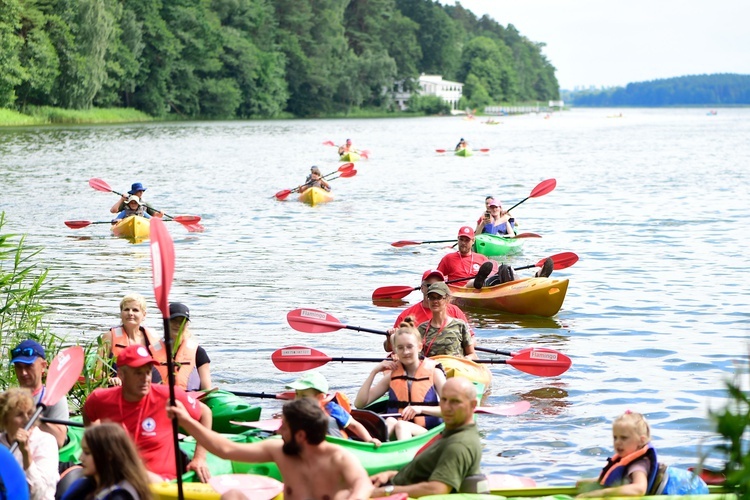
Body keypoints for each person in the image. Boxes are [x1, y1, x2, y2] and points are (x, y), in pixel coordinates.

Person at [168, 397, 374, 500]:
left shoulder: (338, 458)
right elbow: (225, 449)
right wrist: (186, 421)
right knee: (232, 496)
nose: (278, 430)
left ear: (301, 435)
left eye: (283, 426)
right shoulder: (279, 451)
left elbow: (363, 484)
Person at [82, 345, 212, 482]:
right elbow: (88, 413)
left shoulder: (170, 396)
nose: (145, 379)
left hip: (163, 484)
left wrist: (199, 458)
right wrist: (96, 443)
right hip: (117, 478)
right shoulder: (100, 399)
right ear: (121, 374)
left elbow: (205, 413)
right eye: (138, 373)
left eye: (148, 372)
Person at [369, 377, 482, 498]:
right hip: (394, 483)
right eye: (443, 400)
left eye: (455, 401)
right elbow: (424, 474)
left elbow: (437, 489)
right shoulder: (452, 433)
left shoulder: (459, 444)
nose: (447, 407)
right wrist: (391, 475)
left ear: (472, 404)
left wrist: (384, 492)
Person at [576, 411, 708, 498]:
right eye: (615, 437)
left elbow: (639, 489)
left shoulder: (638, 465)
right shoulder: (627, 460)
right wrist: (591, 483)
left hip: (685, 490)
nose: (618, 442)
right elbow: (618, 480)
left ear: (642, 440)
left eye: (624, 438)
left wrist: (601, 494)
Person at [355, 320, 446, 440]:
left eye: (409, 346)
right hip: (398, 429)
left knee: (402, 425)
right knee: (391, 421)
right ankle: (377, 447)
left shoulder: (435, 372)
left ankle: (402, 454)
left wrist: (420, 409)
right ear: (395, 351)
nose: (405, 352)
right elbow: (360, 404)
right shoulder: (393, 375)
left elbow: (452, 408)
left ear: (419, 347)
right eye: (400, 348)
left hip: (428, 433)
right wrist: (374, 372)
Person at [384, 270, 474, 352]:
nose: (435, 288)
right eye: (430, 285)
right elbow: (391, 348)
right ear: (422, 288)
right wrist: (390, 338)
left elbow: (472, 340)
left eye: (439, 285)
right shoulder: (408, 316)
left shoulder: (455, 312)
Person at [287, 372, 381, 446]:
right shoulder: (296, 412)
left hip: (344, 448)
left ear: (320, 397)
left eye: (303, 396)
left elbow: (354, 426)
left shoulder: (332, 409)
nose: (298, 399)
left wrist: (369, 439)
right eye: (296, 394)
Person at [61, 423, 153, 500]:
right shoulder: (84, 486)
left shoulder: (121, 495)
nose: (81, 458)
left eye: (87, 452)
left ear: (109, 455)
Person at [0, 388, 59, 500]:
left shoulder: (46, 441)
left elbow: (38, 494)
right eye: (19, 415)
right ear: (5, 418)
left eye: (30, 413)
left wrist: (26, 453)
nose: (27, 419)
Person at [98, 293, 165, 387]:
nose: (130, 313)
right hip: (119, 389)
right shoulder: (109, 337)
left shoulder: (153, 338)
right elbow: (97, 370)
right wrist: (110, 379)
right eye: (126, 309)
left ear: (144, 315)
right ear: (121, 314)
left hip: (146, 388)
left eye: (135, 310)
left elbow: (163, 368)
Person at [10, 340, 68, 448]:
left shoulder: (56, 398)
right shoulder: (9, 399)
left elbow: (59, 441)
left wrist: (30, 417)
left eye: (28, 366)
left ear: (43, 366)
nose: (23, 373)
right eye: (18, 366)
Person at [417, 283, 476, 360]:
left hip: (455, 368)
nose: (435, 301)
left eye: (439, 297)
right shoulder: (421, 329)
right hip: (432, 369)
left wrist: (466, 359)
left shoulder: (460, 325)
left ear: (447, 299)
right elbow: (415, 356)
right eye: (432, 298)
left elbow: (472, 354)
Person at [166, 302, 212, 391]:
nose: (177, 325)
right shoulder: (152, 350)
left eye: (181, 321)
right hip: (161, 399)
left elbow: (207, 389)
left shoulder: (199, 352)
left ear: (187, 324)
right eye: (174, 320)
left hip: (190, 400)